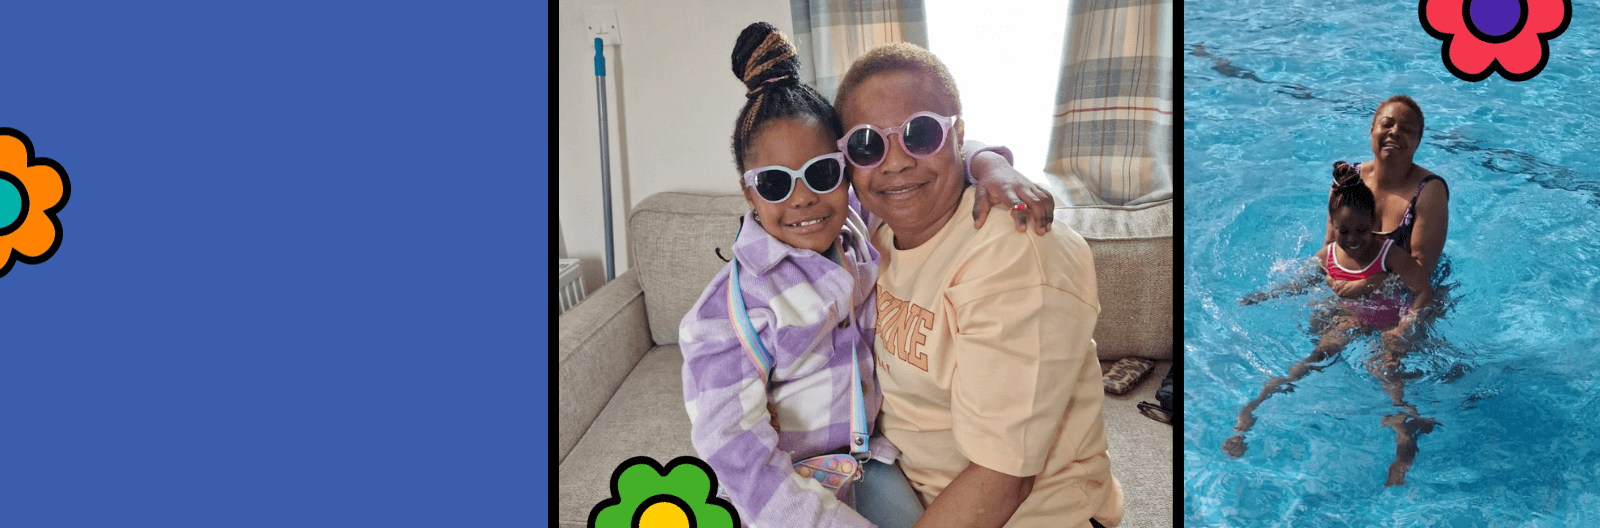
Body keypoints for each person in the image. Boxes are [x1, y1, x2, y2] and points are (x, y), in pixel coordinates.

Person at [678, 23, 1057, 528]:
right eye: (774, 183)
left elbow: (933, 151)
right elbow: (732, 448)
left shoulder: (859, 222)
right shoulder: (727, 312)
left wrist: (990, 165)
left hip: (870, 466)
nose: (803, 198)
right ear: (749, 194)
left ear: (846, 170)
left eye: (821, 173)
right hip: (786, 494)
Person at [832, 42, 1122, 528]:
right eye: (867, 144)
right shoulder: (876, 232)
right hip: (896, 482)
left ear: (956, 135)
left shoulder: (1015, 251)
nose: (896, 161)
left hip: (1026, 514)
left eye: (920, 134)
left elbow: (1003, 480)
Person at [1228, 167, 1437, 486]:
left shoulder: (1389, 254)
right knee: (1312, 360)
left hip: (1389, 320)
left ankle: (1404, 432)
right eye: (1344, 232)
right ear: (1333, 227)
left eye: (1362, 230)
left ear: (1375, 225)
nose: (1353, 240)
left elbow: (1422, 289)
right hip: (1354, 319)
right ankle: (1249, 414)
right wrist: (1265, 295)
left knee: (1388, 372)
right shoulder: (1328, 255)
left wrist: (1406, 324)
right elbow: (1297, 282)